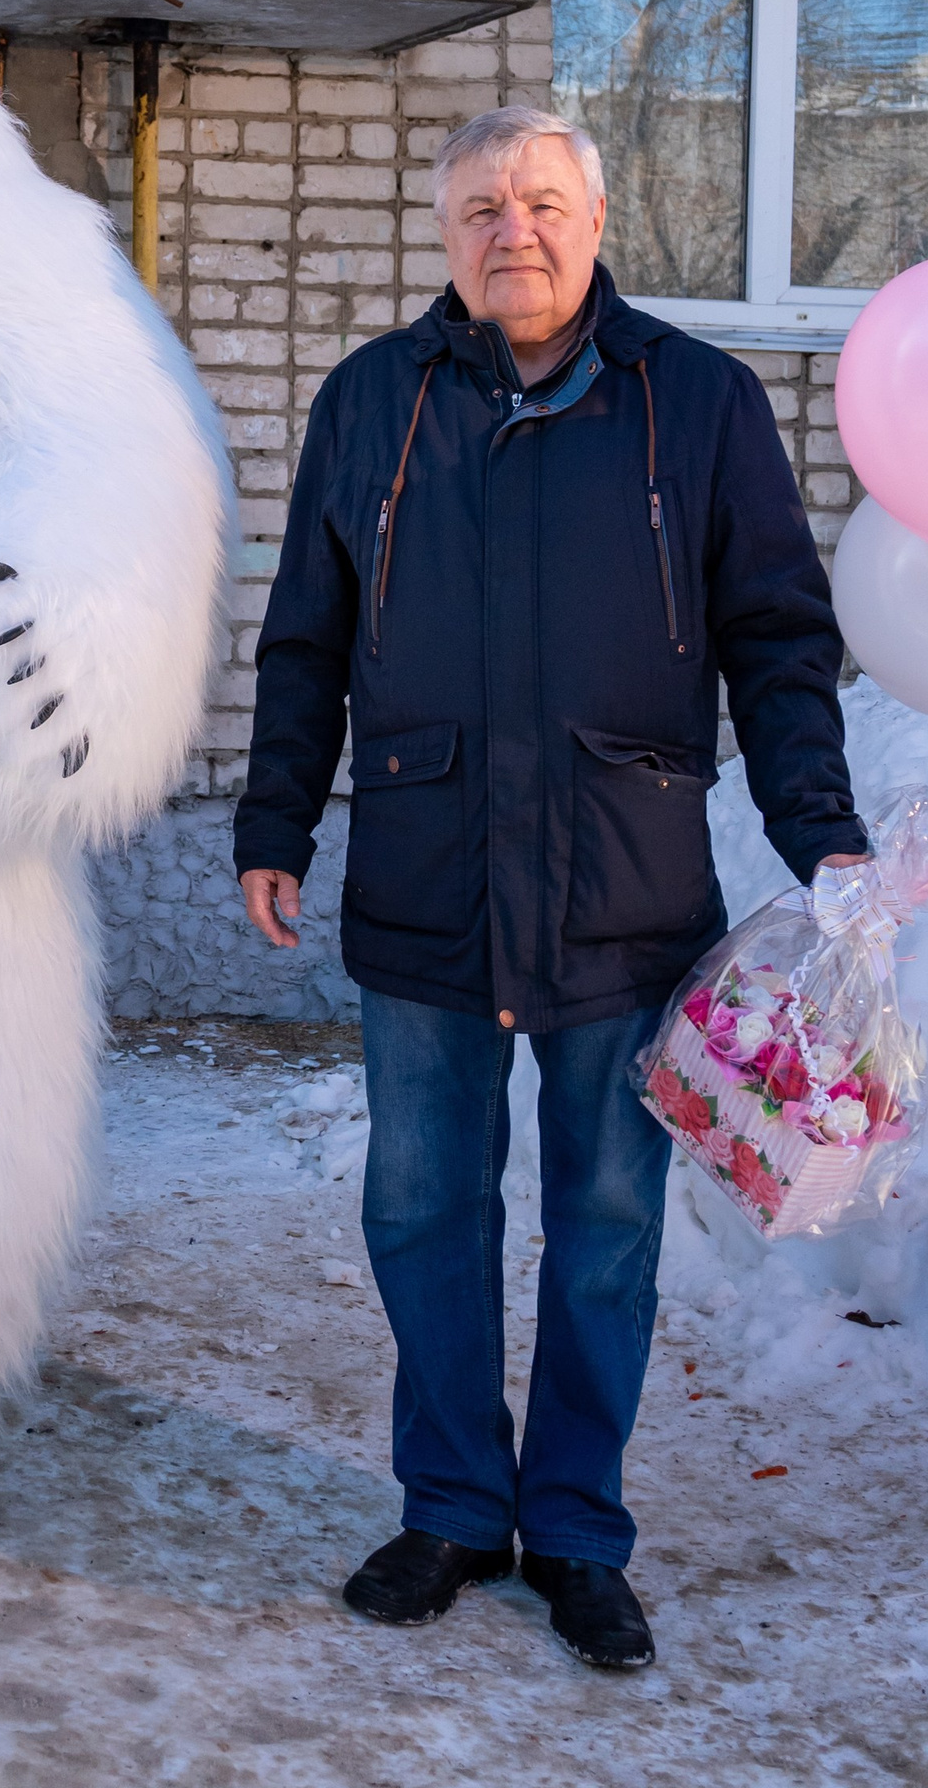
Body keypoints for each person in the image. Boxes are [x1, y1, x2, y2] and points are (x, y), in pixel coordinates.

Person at [233, 107, 866, 1670]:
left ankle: (577, 1530)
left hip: (622, 891)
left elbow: (778, 638)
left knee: (601, 1227)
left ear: (596, 218)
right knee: (422, 1208)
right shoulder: (375, 400)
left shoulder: (698, 404)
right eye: (477, 208)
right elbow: (307, 636)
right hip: (428, 873)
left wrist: (820, 826)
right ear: (442, 233)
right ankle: (451, 1506)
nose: (509, 230)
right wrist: (273, 825)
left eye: (539, 202)